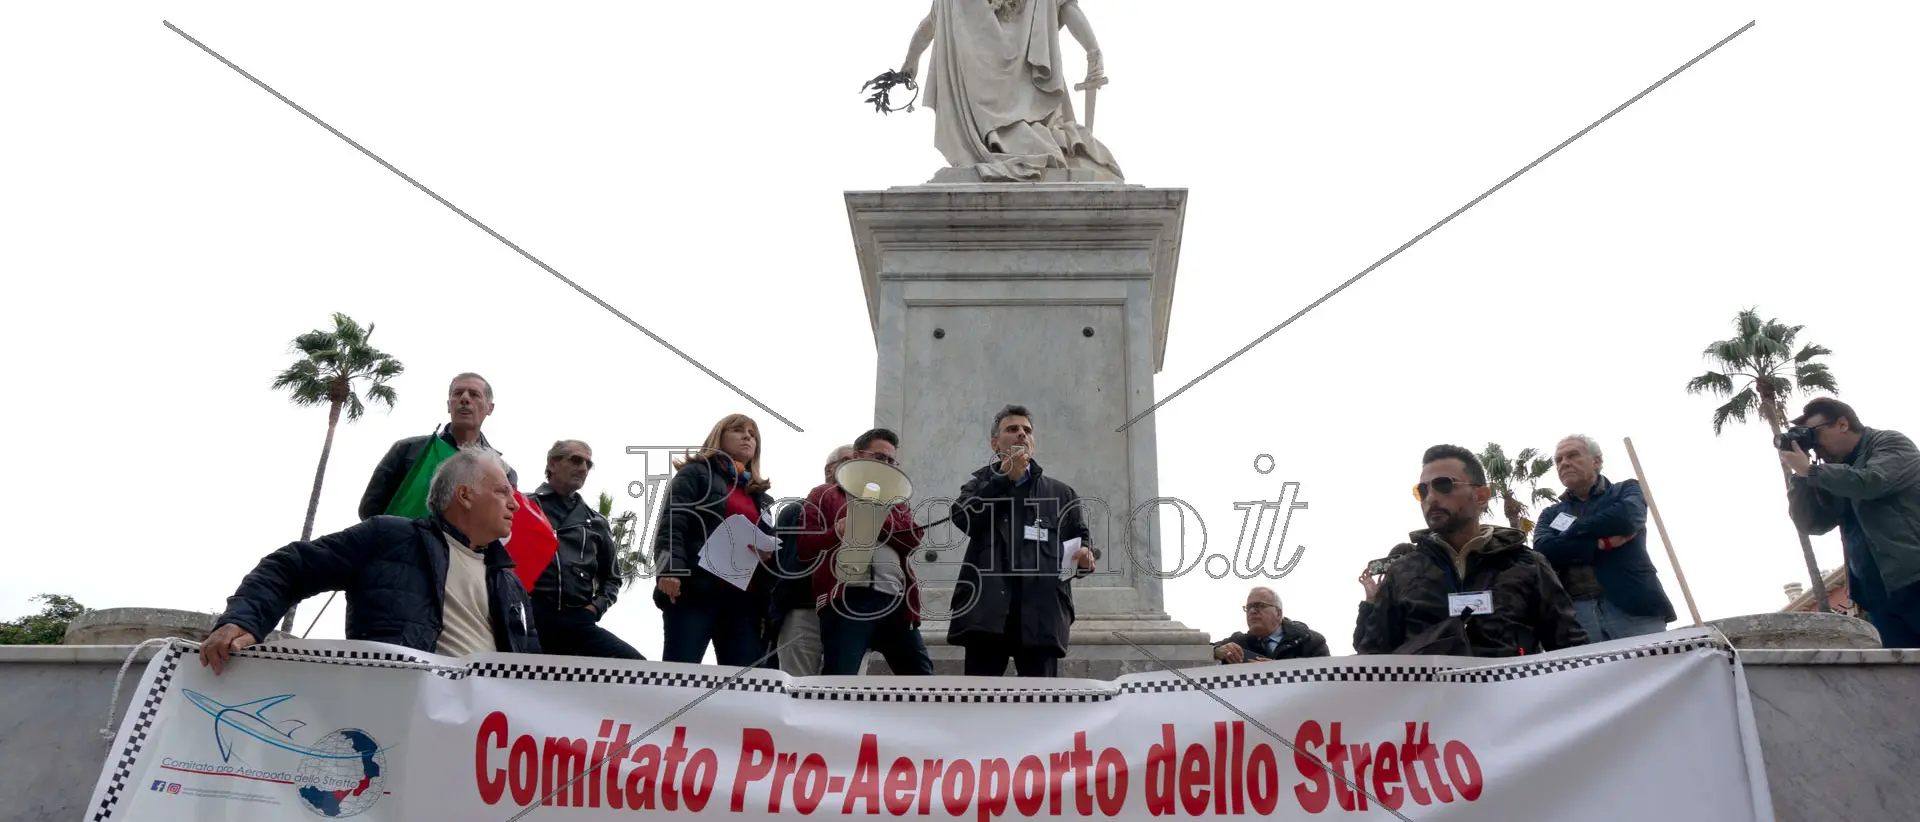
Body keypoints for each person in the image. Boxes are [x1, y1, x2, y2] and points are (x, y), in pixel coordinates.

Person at [200, 446, 541, 674]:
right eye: (502, 492)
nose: (514, 504)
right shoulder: (389, 538)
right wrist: (244, 620)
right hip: (397, 720)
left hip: (487, 743)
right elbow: (290, 566)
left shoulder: (510, 583)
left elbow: (532, 671)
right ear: (465, 495)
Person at [1354, 444, 1587, 657]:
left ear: (1481, 496)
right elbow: (1373, 655)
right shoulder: (1401, 573)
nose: (1431, 497)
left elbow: (1572, 649)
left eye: (1444, 485)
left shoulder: (1528, 565)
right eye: (1422, 490)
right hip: (1433, 701)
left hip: (1514, 700)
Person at [897, 0, 1124, 182]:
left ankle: (1014, 144)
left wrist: (910, 63)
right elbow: (1068, 9)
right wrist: (1093, 53)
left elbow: (926, 28)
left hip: (986, 115)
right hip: (1019, 104)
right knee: (1041, 140)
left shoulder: (954, 5)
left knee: (1037, 139)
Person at [948, 404, 1097, 677]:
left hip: (1041, 614)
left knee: (1041, 707)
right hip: (988, 613)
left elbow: (1080, 539)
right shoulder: (979, 484)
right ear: (995, 444)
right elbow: (963, 519)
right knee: (979, 705)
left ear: (1033, 443)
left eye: (1026, 430)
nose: (1021, 435)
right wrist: (1004, 480)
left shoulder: (1061, 493)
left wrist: (1086, 554)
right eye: (1012, 429)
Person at [1784, 397, 1920, 648]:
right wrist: (1801, 477)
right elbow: (1813, 523)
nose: (1814, 445)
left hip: (1914, 580)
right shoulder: (1833, 471)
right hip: (1877, 596)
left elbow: (1872, 482)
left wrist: (1813, 472)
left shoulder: (1890, 443)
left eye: (1815, 434)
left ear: (1843, 424)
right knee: (1907, 680)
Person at [801, 428, 935, 676]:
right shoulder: (826, 494)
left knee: (922, 680)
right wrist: (836, 533)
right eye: (880, 458)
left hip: (895, 603)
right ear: (856, 456)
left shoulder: (897, 500)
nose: (887, 466)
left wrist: (871, 516)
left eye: (891, 461)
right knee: (840, 681)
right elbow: (805, 547)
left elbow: (914, 537)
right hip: (848, 601)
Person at [650, 414, 778, 667]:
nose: (747, 437)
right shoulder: (695, 474)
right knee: (680, 674)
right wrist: (670, 570)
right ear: (719, 436)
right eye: (738, 430)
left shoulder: (761, 497)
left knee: (744, 685)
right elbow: (672, 524)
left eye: (753, 435)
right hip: (695, 591)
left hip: (743, 601)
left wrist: (768, 554)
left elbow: (769, 543)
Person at [1532, 434, 1676, 642]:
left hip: (1633, 608)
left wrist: (1569, 534)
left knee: (1654, 671)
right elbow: (1544, 549)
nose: (1564, 463)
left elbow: (1626, 518)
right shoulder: (1550, 513)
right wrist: (1600, 543)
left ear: (1596, 461)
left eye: (1572, 455)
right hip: (1577, 614)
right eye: (1559, 460)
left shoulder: (1626, 490)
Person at [527, 439, 644, 660]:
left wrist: (595, 609)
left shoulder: (596, 522)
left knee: (636, 666)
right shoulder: (523, 506)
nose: (583, 468)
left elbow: (612, 578)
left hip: (576, 619)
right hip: (529, 615)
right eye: (576, 460)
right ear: (552, 463)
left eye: (588, 464)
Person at [359, 372, 518, 520]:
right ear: (449, 405)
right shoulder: (407, 450)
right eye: (457, 393)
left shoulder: (504, 472)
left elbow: (503, 522)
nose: (465, 399)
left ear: (490, 408)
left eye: (474, 394)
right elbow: (370, 509)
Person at [768, 444, 856, 677]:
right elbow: (782, 563)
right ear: (829, 470)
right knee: (798, 686)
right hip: (803, 608)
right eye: (848, 460)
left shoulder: (869, 511)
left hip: (848, 611)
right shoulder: (797, 510)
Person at [1213, 587, 1330, 663]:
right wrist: (1217, 650)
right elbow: (1201, 649)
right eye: (1248, 607)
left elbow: (1326, 681)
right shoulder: (1239, 642)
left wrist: (1278, 670)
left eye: (1259, 605)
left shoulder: (1310, 642)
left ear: (1278, 613)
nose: (1252, 611)